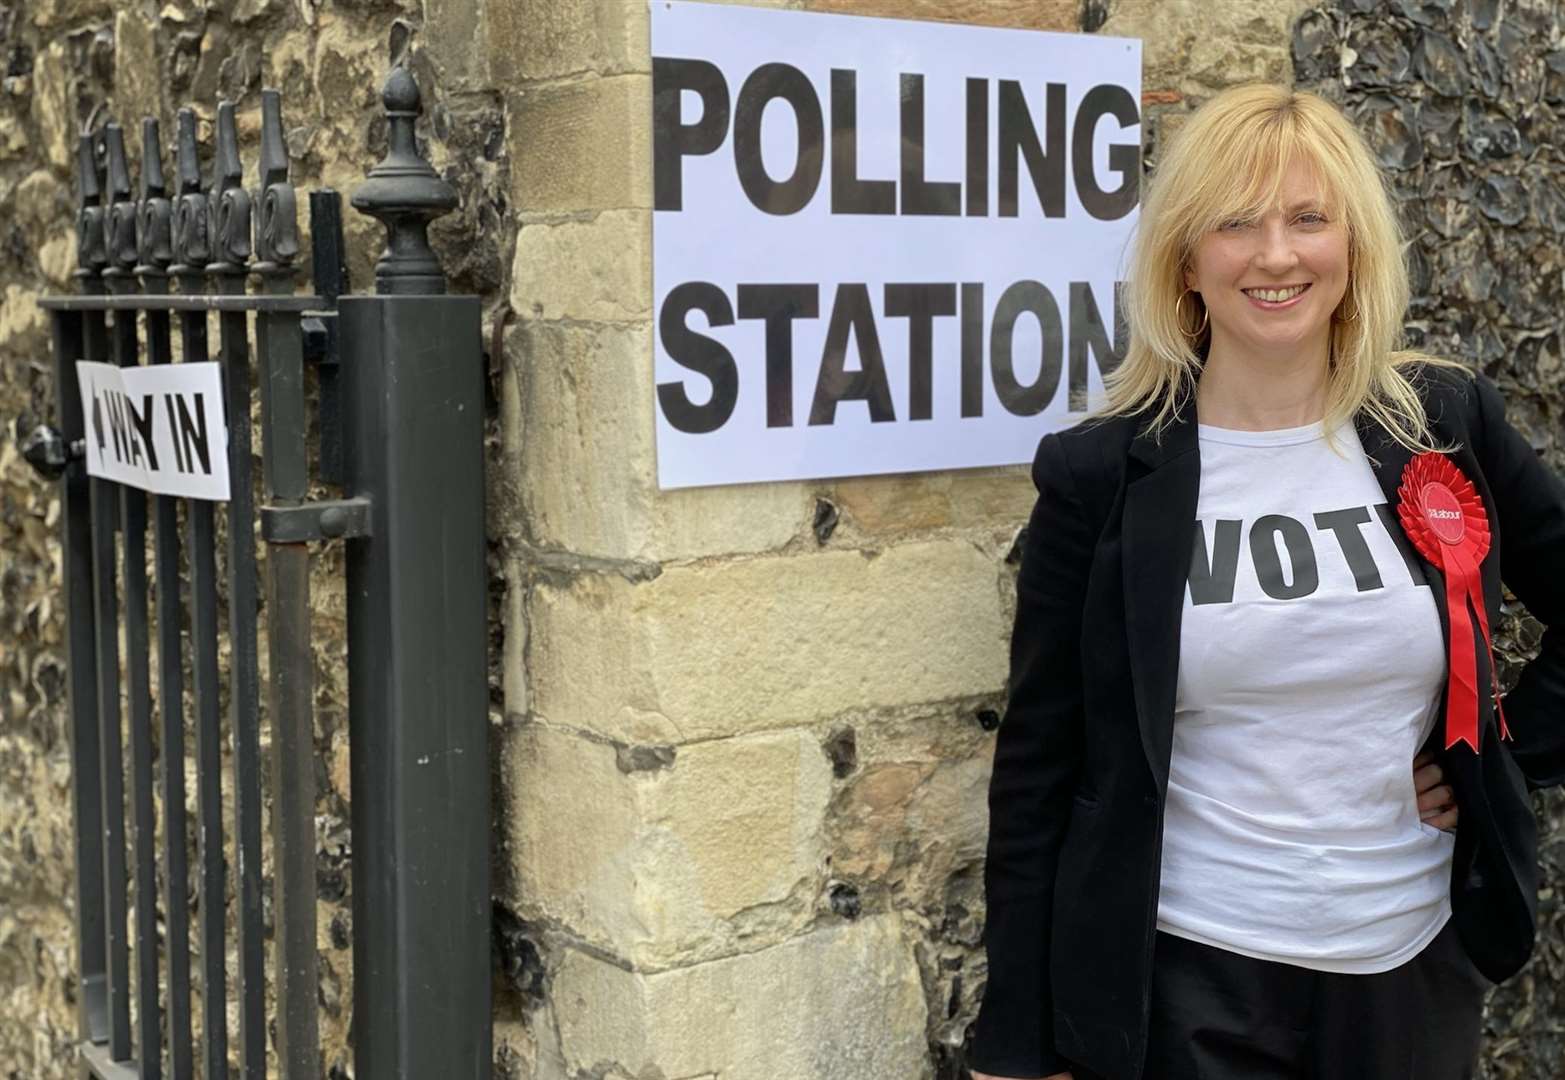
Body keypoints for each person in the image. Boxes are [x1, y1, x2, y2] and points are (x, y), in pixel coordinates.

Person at [965, 83, 1565, 1080]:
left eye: (1305, 219)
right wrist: (1011, 1044)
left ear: (1351, 247)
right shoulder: (1103, 477)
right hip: (1191, 986)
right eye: (1234, 223)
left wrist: (1498, 753)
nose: (1274, 254)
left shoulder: (1446, 422)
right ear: (1187, 260)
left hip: (1409, 972)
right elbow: (1036, 765)